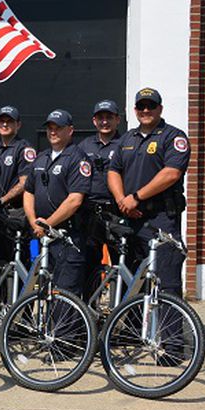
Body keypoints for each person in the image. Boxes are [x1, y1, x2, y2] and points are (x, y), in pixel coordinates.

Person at [108, 87, 190, 299]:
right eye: (141, 106)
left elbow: (171, 173)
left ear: (160, 108)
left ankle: (170, 323)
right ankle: (134, 322)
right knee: (131, 283)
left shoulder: (173, 137)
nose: (146, 110)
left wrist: (136, 198)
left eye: (151, 106)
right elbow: (113, 171)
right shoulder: (127, 139)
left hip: (160, 219)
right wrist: (122, 201)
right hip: (130, 218)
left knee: (166, 282)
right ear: (135, 110)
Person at [23, 109, 92, 295]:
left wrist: (48, 224)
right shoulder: (41, 157)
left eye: (58, 128)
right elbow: (28, 191)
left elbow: (75, 200)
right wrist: (33, 221)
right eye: (50, 128)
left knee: (64, 295)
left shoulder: (78, 158)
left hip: (67, 237)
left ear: (70, 130)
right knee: (46, 292)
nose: (53, 132)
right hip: (45, 237)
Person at [77, 100, 123, 295]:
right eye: (101, 118)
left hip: (116, 212)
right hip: (90, 213)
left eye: (109, 117)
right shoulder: (84, 146)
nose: (105, 122)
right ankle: (89, 309)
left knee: (122, 264)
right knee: (89, 266)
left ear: (117, 120)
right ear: (94, 121)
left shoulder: (126, 143)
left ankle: (123, 311)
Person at [0, 105, 35, 267]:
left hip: (14, 216)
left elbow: (25, 183)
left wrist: (1, 201)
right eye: (1, 121)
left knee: (17, 265)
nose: (5, 124)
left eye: (9, 121)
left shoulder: (24, 149)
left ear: (18, 125)